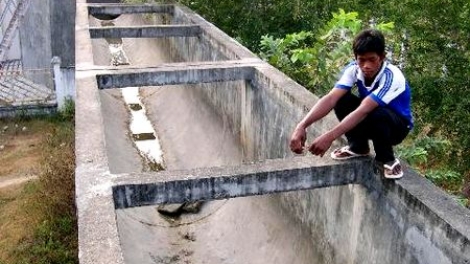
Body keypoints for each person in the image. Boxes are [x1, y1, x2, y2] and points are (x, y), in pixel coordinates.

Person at [289, 29, 412, 179]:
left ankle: (387, 159)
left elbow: (363, 110)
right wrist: (301, 125)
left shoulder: (392, 76)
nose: (366, 65)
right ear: (355, 58)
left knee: (378, 113)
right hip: (370, 117)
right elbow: (331, 98)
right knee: (342, 99)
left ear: (382, 57)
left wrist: (329, 137)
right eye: (361, 60)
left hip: (396, 127)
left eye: (372, 59)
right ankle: (358, 147)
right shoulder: (353, 69)